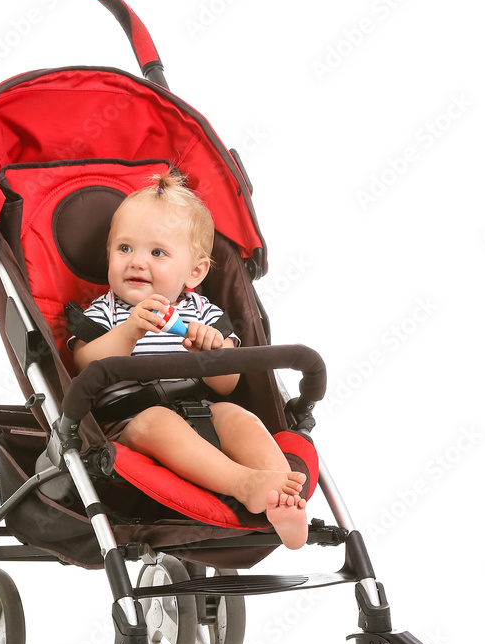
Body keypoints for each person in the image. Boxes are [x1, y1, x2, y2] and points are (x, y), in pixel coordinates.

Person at [70, 170, 308, 549]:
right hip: (132, 419)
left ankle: (282, 493)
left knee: (240, 418)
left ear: (194, 272)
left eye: (157, 253)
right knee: (158, 422)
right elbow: (84, 362)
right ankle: (243, 484)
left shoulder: (203, 312)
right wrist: (129, 332)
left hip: (201, 407)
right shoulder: (106, 311)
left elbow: (228, 385)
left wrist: (211, 355)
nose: (137, 262)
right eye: (124, 249)